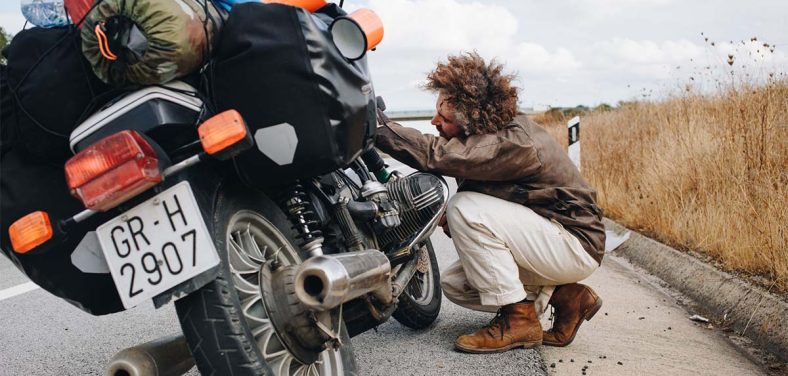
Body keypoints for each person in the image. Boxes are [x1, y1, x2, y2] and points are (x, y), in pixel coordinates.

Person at [374, 52, 606, 353]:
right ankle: (567, 298)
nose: (434, 122)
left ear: (472, 115)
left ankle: (518, 322)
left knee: (464, 208)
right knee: (457, 283)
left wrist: (379, 128)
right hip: (553, 240)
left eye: (444, 118)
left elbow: (438, 156)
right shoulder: (491, 137)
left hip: (574, 242)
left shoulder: (513, 141)